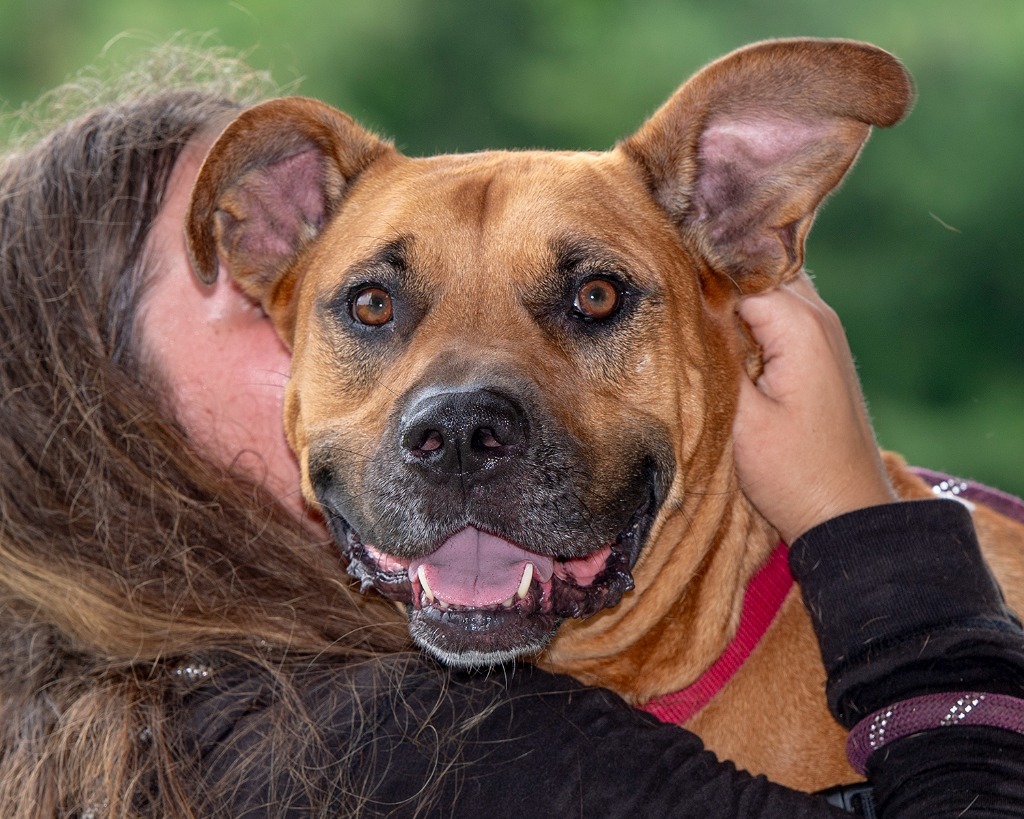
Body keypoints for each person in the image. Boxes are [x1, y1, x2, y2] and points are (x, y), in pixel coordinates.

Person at [1, 44, 1021, 818]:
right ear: (106, 422)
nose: (458, 414)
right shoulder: (382, 748)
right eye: (370, 310)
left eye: (591, 298)